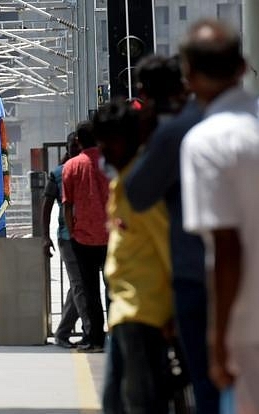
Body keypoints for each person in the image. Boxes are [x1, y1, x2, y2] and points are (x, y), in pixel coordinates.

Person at [125, 54, 220, 412]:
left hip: (190, 272)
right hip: (238, 267)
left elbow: (137, 193)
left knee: (201, 377)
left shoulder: (172, 131)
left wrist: (147, 138)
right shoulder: (226, 119)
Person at [180, 19, 259, 412]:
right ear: (243, 67)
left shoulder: (206, 143)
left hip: (249, 330)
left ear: (189, 77)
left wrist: (217, 338)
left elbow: (227, 248)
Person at [94, 99, 173, 414]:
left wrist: (175, 311)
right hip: (125, 310)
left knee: (138, 403)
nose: (104, 151)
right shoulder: (124, 182)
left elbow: (168, 247)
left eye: (109, 142)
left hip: (145, 311)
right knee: (115, 402)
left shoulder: (142, 186)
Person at [62, 120, 109, 353]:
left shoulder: (71, 166)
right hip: (112, 237)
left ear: (78, 141)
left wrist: (72, 232)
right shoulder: (110, 162)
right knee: (114, 289)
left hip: (82, 239)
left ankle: (95, 339)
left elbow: (67, 205)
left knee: (90, 292)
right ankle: (117, 337)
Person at [41, 132, 85, 349]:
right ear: (68, 148)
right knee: (80, 285)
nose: (76, 149)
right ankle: (89, 330)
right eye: (73, 146)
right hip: (68, 237)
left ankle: (63, 331)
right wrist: (45, 237)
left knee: (79, 286)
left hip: (86, 236)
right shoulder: (58, 174)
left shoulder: (87, 169)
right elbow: (46, 207)